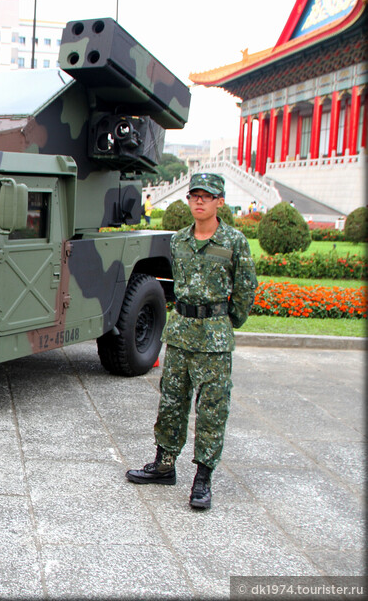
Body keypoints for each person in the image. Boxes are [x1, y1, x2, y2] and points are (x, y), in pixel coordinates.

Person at [125, 173, 257, 510]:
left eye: (207, 196)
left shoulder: (234, 241)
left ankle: (203, 478)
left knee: (211, 409)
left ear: (219, 202)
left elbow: (245, 289)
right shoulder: (179, 240)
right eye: (194, 195)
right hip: (182, 334)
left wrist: (228, 323)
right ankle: (164, 465)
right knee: (171, 402)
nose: (199, 201)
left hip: (214, 339)